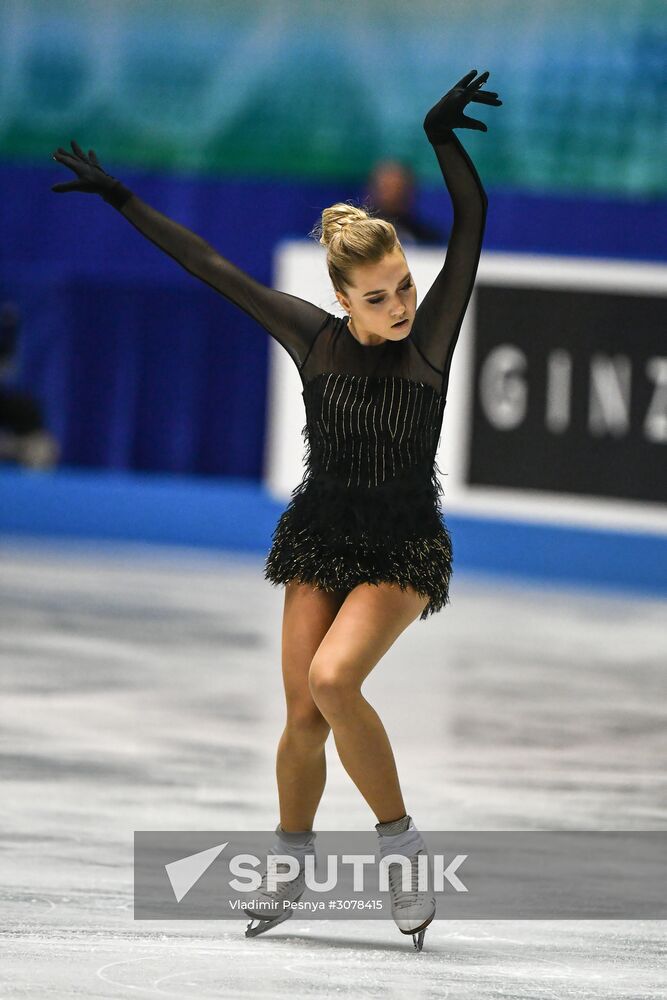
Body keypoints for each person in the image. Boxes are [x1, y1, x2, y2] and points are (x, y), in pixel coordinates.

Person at [51, 68, 501, 951]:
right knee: (301, 717)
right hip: (319, 537)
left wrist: (439, 137)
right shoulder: (313, 338)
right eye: (377, 297)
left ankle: (400, 850)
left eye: (404, 287)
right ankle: (291, 864)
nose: (400, 307)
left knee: (334, 682)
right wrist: (122, 198)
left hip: (402, 546)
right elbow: (208, 264)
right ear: (342, 300)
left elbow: (472, 220)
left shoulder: (430, 338)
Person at [366, 158, 446, 245]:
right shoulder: (361, 232)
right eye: (386, 186)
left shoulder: (426, 237)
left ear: (410, 190)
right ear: (373, 188)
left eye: (398, 187)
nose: (393, 193)